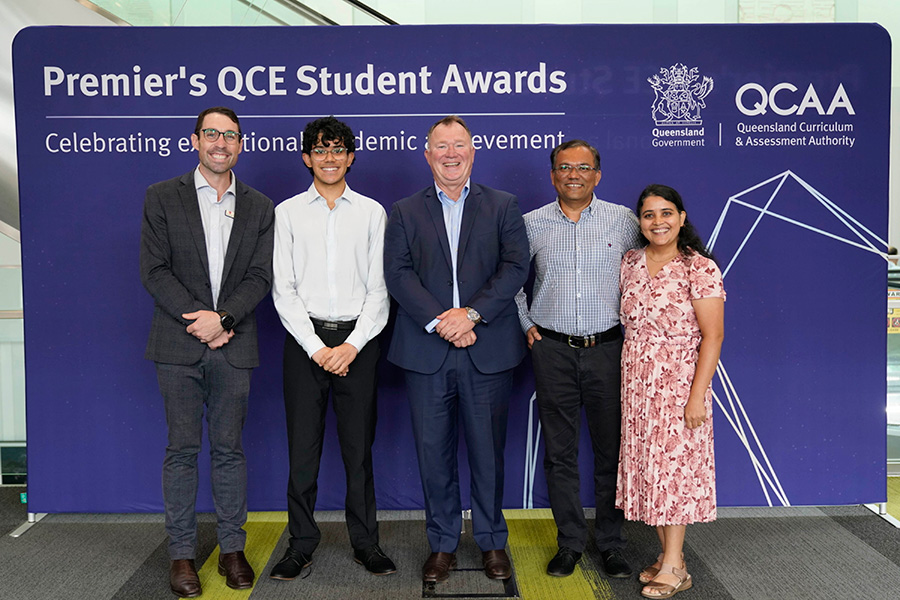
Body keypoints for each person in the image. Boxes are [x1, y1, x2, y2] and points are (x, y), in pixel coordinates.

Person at [383, 115, 530, 583]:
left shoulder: (503, 205)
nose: (451, 154)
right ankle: (442, 543)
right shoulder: (404, 210)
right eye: (441, 146)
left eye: (459, 145)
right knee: (434, 456)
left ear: (472, 151)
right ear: (428, 154)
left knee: (488, 453)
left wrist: (471, 315)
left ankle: (491, 541)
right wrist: (442, 321)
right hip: (426, 351)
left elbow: (515, 266)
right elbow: (398, 273)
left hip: (487, 348)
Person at [140, 106, 274, 598]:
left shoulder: (260, 206)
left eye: (231, 136)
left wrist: (225, 320)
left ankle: (232, 549)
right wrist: (200, 321)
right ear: (195, 140)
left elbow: (261, 275)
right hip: (178, 344)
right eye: (212, 134)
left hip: (233, 345)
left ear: (240, 144)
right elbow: (154, 270)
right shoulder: (161, 196)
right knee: (181, 450)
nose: (221, 143)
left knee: (228, 451)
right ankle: (181, 554)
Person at [269, 116, 396, 579]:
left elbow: (380, 289)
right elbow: (283, 288)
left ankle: (366, 543)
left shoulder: (372, 213)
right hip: (305, 346)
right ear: (307, 158)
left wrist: (352, 345)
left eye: (338, 149)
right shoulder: (286, 213)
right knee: (303, 452)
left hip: (358, 345)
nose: (329, 158)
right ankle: (300, 544)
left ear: (351, 156)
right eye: (320, 150)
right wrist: (316, 348)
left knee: (358, 452)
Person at [514, 139, 640, 578]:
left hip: (609, 350)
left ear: (597, 175)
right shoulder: (531, 223)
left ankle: (611, 544)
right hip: (552, 351)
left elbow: (651, 268)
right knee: (560, 454)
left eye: (583, 168)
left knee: (611, 453)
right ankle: (569, 543)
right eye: (565, 167)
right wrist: (525, 322)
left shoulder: (624, 220)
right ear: (553, 175)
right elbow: (509, 278)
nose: (574, 175)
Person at [615, 184, 725, 599]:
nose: (657, 222)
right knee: (651, 469)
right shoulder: (630, 262)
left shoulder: (699, 267)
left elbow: (713, 336)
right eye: (649, 215)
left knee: (674, 473)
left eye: (666, 213)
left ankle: (675, 567)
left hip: (679, 384)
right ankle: (667, 556)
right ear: (639, 222)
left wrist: (697, 396)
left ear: (681, 218)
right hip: (637, 383)